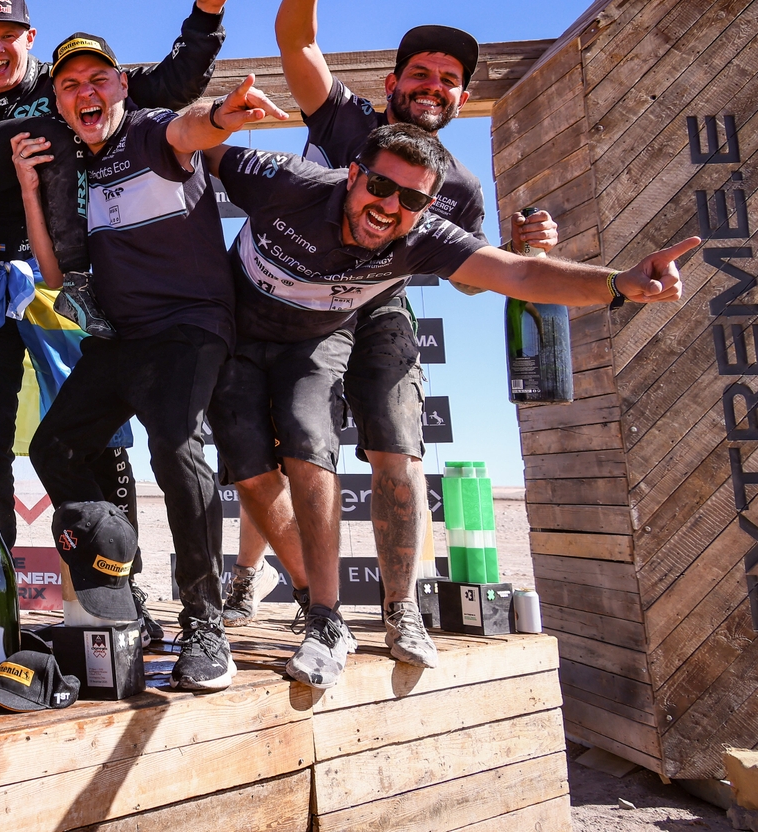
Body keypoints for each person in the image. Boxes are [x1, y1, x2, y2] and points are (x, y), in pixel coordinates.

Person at [203, 123, 696, 687]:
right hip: (233, 330)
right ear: (353, 174)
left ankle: (325, 621)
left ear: (428, 206)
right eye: (380, 187)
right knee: (249, 472)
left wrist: (619, 283)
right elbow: (196, 146)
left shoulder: (426, 237)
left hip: (312, 341)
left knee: (310, 453)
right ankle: (308, 594)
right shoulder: (288, 180)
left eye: (411, 199)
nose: (389, 207)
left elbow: (519, 271)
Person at [272, 0, 560, 667]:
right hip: (305, 309)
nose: (434, 85)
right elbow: (296, 42)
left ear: (461, 99)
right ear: (394, 83)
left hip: (382, 310)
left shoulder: (458, 187)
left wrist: (524, 255)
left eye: (449, 79)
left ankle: (402, 614)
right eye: (420, 73)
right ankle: (322, 617)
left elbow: (467, 277)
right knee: (305, 450)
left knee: (397, 454)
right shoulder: (346, 124)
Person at [0, 0, 231, 641]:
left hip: (73, 284)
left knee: (109, 436)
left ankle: (134, 592)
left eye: (7, 35)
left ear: (29, 40)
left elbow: (171, 88)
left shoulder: (76, 91)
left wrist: (206, 15)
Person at [21, 35, 287, 692]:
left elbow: (189, 128)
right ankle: (119, 588)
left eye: (97, 79)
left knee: (172, 446)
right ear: (59, 102)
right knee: (52, 446)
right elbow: (54, 277)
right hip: (120, 339)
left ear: (120, 86)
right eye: (68, 86)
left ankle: (203, 618)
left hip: (189, 327)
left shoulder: (149, 131)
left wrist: (221, 116)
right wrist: (30, 187)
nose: (85, 92)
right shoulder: (74, 173)